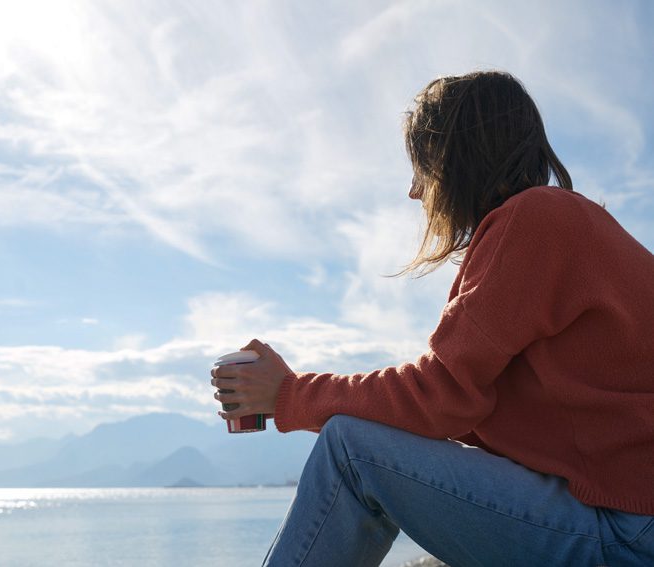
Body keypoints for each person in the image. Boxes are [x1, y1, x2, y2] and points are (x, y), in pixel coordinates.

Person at [210, 71, 654, 566]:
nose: (415, 192)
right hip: (630, 515)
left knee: (350, 449)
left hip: (629, 531)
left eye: (422, 167)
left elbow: (442, 395)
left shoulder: (533, 220)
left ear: (455, 159)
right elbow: (466, 407)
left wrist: (290, 395)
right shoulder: (571, 224)